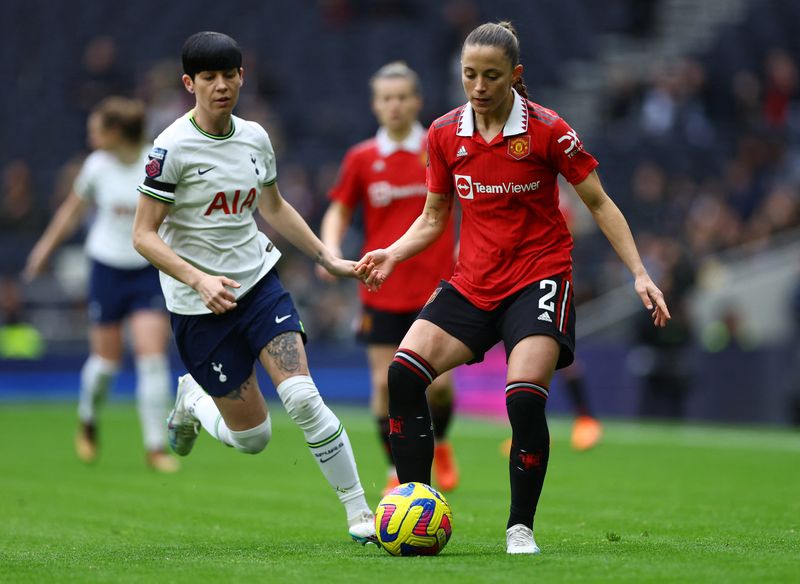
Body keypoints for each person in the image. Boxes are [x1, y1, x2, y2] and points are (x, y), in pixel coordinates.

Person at [355, 21, 671, 554]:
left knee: (523, 399)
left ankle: (519, 526)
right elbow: (434, 218)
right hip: (473, 281)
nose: (478, 87)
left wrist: (638, 271)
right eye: (469, 75)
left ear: (515, 76)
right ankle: (416, 504)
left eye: (491, 76)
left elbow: (598, 202)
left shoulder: (549, 131)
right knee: (403, 376)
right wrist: (393, 251)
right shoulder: (443, 133)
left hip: (539, 279)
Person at [131, 31, 376, 544]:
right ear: (189, 83)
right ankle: (193, 400)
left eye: (230, 75)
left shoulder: (255, 138)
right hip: (198, 307)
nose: (221, 86)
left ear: (242, 77)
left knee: (304, 398)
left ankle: (359, 513)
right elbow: (143, 235)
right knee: (255, 439)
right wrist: (198, 279)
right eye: (209, 78)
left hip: (260, 284)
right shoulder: (169, 148)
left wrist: (325, 256)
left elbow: (274, 207)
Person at [318, 61, 459, 495]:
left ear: (416, 101)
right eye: (386, 98)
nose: (395, 105)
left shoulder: (437, 148)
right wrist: (329, 249)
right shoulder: (361, 158)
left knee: (438, 387)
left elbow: (466, 203)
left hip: (437, 288)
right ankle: (396, 470)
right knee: (383, 383)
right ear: (375, 105)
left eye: (402, 97)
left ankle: (441, 444)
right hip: (381, 287)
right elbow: (339, 209)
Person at [24, 97, 177, 473]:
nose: (90, 134)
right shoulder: (96, 166)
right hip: (107, 268)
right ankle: (88, 419)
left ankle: (156, 447)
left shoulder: (155, 162)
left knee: (152, 357)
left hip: (147, 269)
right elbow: (71, 210)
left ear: (116, 132)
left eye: (97, 128)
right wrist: (45, 248)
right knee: (106, 365)